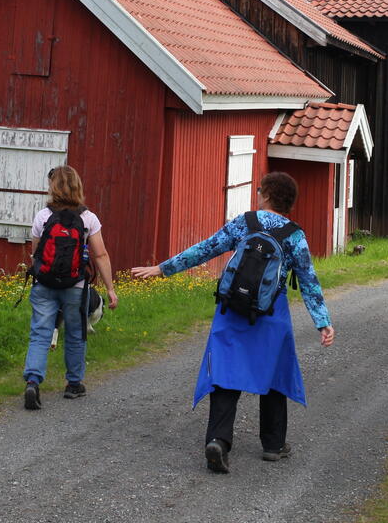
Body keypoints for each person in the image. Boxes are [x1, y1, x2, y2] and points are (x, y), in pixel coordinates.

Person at [131, 171, 335, 473]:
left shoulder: (245, 222)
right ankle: (273, 445)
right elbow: (308, 281)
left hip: (233, 309)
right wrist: (323, 322)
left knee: (226, 372)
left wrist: (162, 269)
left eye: (259, 190)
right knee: (275, 374)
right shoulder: (294, 235)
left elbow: (205, 249)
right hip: (271, 315)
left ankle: (218, 440)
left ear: (266, 195)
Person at [23, 165, 118, 410]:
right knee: (76, 334)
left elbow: (35, 253)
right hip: (75, 286)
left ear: (52, 188)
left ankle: (33, 381)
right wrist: (110, 289)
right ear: (78, 187)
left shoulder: (43, 216)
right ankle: (74, 384)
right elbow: (101, 255)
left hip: (44, 284)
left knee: (40, 334)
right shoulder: (88, 218)